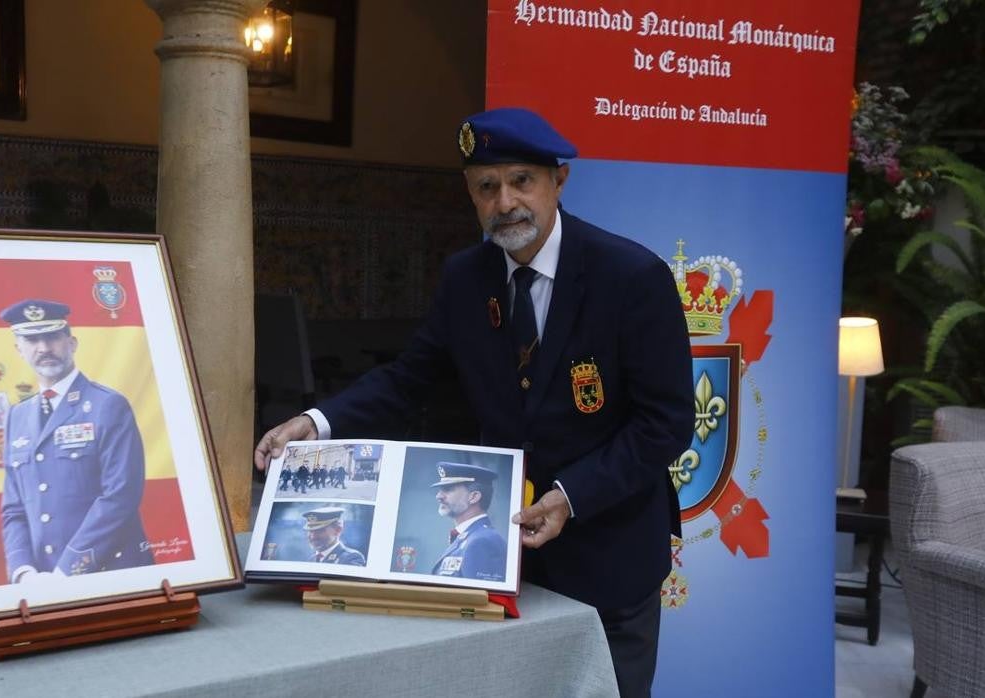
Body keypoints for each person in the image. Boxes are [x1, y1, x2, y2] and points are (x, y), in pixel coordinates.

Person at [254, 107, 692, 697]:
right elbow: (412, 377)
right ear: (470, 194)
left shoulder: (631, 276)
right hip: (504, 562)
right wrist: (317, 420)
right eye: (487, 187)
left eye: (521, 181)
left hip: (607, 558)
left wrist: (570, 496)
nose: (505, 202)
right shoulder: (467, 276)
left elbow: (664, 423)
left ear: (558, 181)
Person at [0, 299, 154, 583]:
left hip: (109, 573)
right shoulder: (16, 417)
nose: (44, 348)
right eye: (32, 340)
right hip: (41, 580)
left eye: (52, 337)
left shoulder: (108, 405)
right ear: (18, 350)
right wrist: (23, 572)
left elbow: (120, 495)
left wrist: (68, 570)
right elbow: (14, 508)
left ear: (72, 343)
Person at [430, 462, 506, 582]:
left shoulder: (482, 541)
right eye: (440, 490)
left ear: (474, 497)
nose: (438, 496)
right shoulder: (469, 537)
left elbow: (478, 598)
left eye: (448, 489)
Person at [301, 506, 366, 565]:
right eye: (310, 531)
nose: (313, 537)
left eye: (320, 531)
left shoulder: (351, 558)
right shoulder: (311, 559)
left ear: (338, 530)